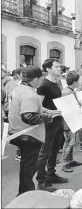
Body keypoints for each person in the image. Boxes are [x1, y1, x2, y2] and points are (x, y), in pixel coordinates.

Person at [8, 66, 61, 195]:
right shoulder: (30, 94)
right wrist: (48, 116)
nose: (42, 80)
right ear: (36, 78)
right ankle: (26, 195)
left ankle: (24, 193)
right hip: (29, 135)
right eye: (41, 77)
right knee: (28, 169)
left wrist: (46, 111)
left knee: (26, 166)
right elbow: (29, 116)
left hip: (18, 132)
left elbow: (30, 108)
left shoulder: (19, 89)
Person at [36, 58, 68, 190]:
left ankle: (51, 174)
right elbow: (38, 106)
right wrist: (51, 112)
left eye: (59, 66)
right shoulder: (44, 85)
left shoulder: (56, 83)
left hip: (58, 121)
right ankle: (41, 182)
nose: (59, 68)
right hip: (48, 122)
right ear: (48, 69)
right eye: (56, 67)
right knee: (45, 152)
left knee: (55, 150)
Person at [60, 71, 82, 173]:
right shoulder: (68, 92)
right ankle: (65, 163)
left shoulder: (68, 91)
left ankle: (70, 160)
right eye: (78, 81)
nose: (79, 83)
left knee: (71, 142)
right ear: (74, 82)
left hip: (70, 120)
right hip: (68, 121)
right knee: (69, 142)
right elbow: (71, 107)